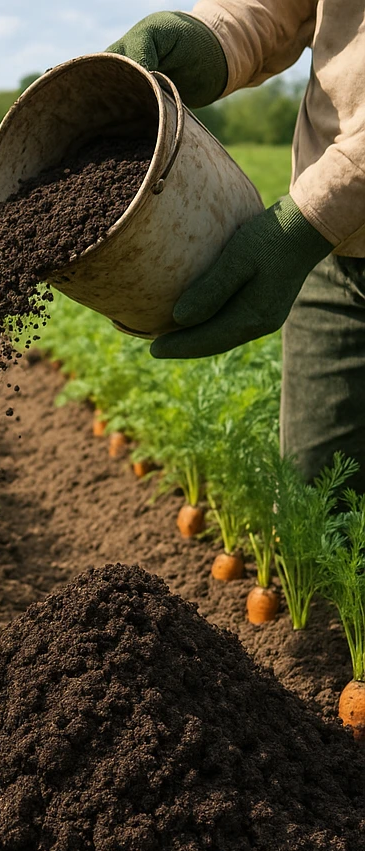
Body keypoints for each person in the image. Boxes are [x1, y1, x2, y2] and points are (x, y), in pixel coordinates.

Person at [106, 2, 365, 489]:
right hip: (326, 257)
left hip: (315, 229)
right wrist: (212, 36)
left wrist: (308, 220)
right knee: (315, 506)